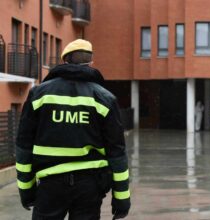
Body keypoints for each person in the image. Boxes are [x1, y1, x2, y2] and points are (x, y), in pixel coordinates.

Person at [15, 39, 131, 219]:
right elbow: (117, 153)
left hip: (49, 186)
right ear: (91, 63)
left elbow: (23, 147)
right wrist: (121, 198)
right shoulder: (105, 98)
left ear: (64, 62)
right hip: (90, 186)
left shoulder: (39, 95)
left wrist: (26, 190)